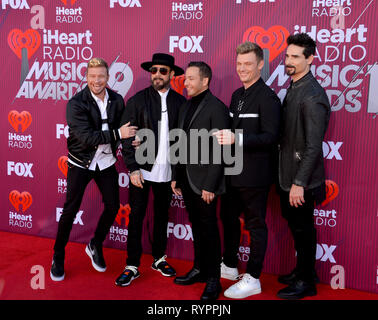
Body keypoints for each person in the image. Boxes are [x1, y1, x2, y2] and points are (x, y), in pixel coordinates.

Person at [50, 57, 137, 281]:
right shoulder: (76, 103)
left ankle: (95, 243)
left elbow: (122, 129)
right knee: (70, 210)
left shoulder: (117, 100)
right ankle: (58, 256)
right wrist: (119, 135)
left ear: (108, 78)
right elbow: (87, 137)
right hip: (81, 162)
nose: (96, 81)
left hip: (106, 162)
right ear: (86, 78)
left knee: (113, 206)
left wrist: (129, 141)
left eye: (100, 76)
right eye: (92, 76)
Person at [213, 42, 281, 299]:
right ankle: (230, 266)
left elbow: (271, 137)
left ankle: (253, 278)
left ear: (261, 65)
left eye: (248, 64)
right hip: (232, 172)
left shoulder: (269, 97)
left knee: (255, 226)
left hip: (255, 175)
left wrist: (236, 139)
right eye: (239, 63)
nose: (242, 69)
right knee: (228, 219)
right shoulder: (236, 95)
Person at [115, 53, 186, 286]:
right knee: (136, 217)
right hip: (142, 172)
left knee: (162, 217)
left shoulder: (180, 103)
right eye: (153, 70)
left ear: (172, 74)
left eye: (162, 71)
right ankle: (132, 265)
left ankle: (158, 258)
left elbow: (183, 141)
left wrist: (177, 174)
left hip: (167, 172)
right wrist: (132, 168)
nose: (157, 74)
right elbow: (126, 138)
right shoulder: (137, 100)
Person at [276, 33, 331, 299]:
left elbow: (313, 146)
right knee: (297, 227)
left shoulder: (312, 95)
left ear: (310, 58)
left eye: (295, 57)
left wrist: (299, 183)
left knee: (304, 229)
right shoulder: (295, 86)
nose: (289, 61)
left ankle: (307, 281)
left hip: (302, 180)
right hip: (288, 175)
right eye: (287, 55)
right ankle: (302, 271)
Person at [171, 61, 229, 300]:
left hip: (205, 182)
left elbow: (221, 150)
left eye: (191, 79)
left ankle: (214, 279)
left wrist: (211, 185)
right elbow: (179, 143)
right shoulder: (185, 106)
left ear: (205, 81)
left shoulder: (217, 108)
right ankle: (199, 269)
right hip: (186, 178)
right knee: (197, 226)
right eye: (186, 79)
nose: (186, 83)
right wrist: (176, 176)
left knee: (209, 229)